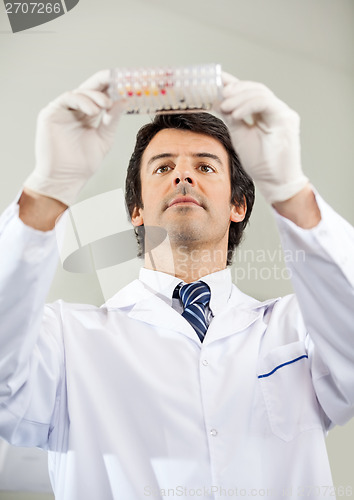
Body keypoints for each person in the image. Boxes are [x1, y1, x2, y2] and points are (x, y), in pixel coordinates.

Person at [0, 69, 353, 500]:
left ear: (238, 205)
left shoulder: (297, 330)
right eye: (164, 167)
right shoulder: (65, 342)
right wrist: (46, 190)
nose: (183, 177)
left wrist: (291, 188)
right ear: (137, 210)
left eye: (205, 166)